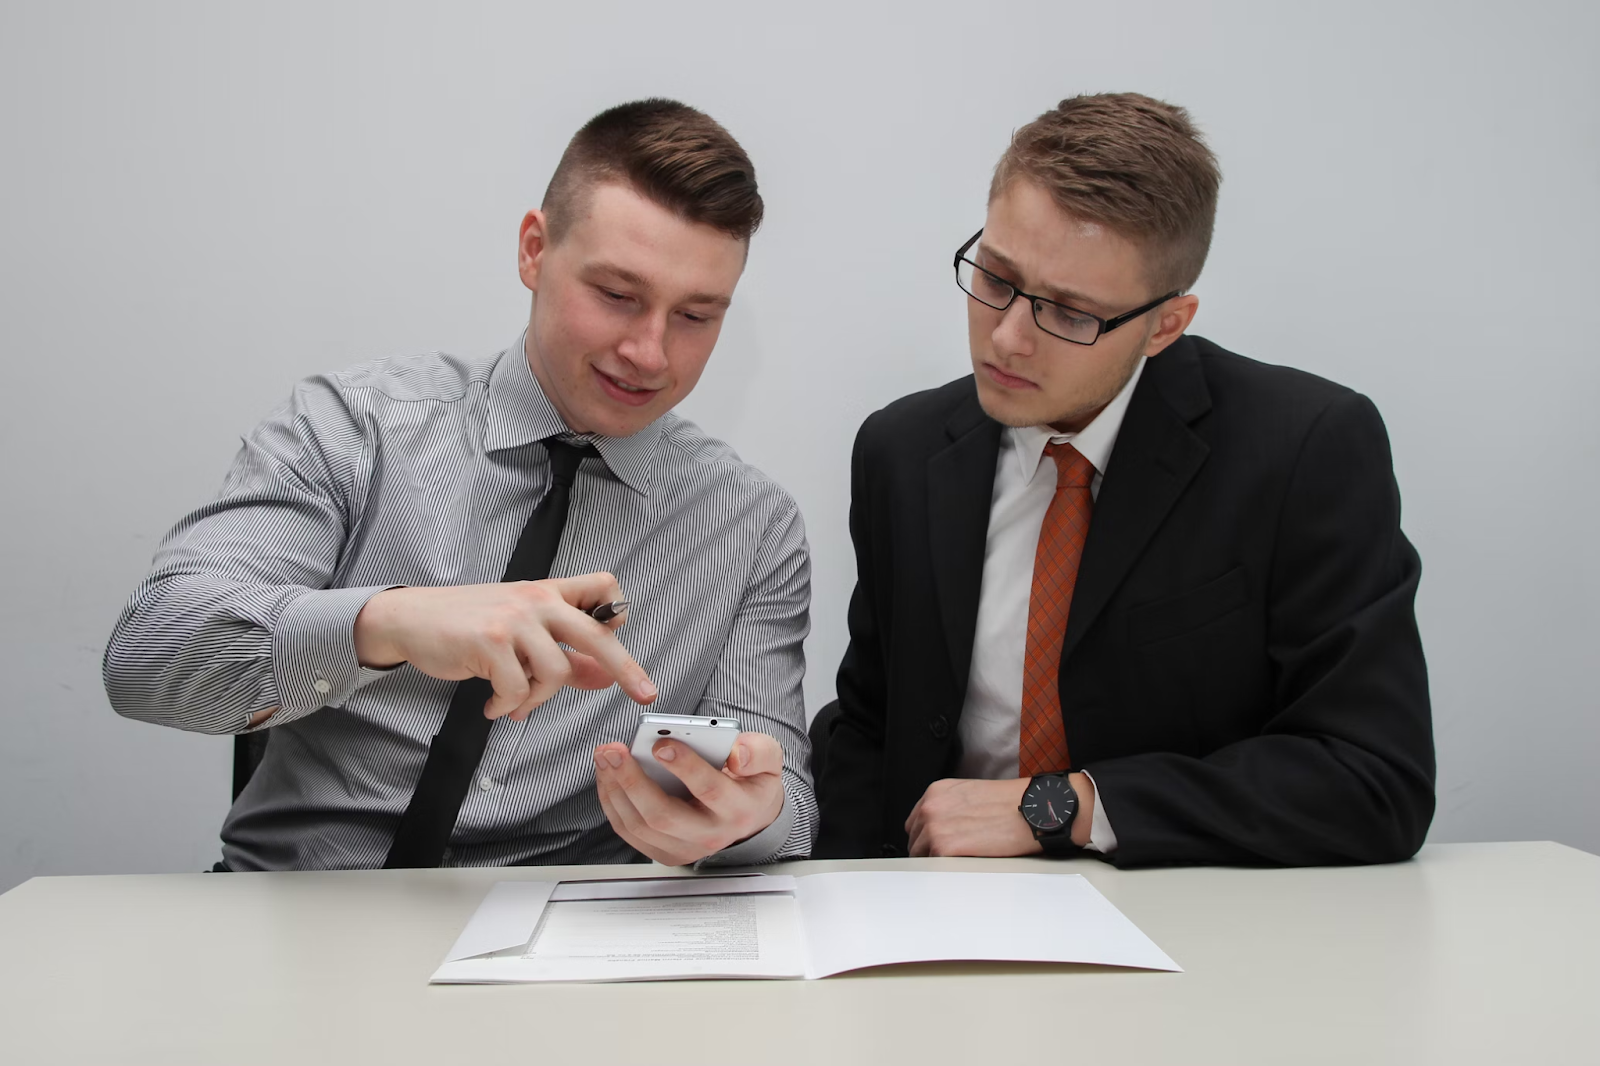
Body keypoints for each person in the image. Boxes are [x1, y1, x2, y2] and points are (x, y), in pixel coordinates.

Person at [105, 99, 816, 871]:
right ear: (534, 251)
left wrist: (748, 816)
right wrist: (388, 625)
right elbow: (148, 656)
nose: (649, 352)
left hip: (564, 947)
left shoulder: (751, 526)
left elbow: (786, 799)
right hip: (300, 913)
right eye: (617, 295)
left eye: (696, 315)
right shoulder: (355, 427)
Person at [815, 93, 1434, 866]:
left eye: (1069, 315)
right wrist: (837, 905)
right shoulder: (900, 451)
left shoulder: (1303, 450)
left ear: (1166, 325)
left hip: (1191, 930)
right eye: (996, 278)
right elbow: (871, 728)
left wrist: (1062, 808)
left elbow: (1375, 778)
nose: (1006, 338)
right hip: (940, 915)